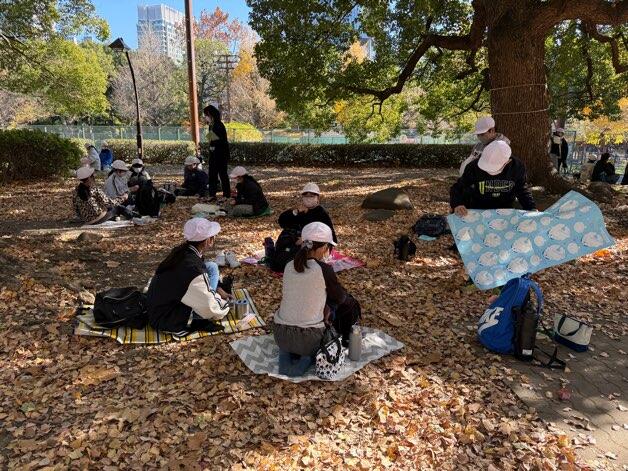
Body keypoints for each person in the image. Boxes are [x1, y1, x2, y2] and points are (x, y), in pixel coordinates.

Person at [273, 222, 360, 377]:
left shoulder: (288, 266)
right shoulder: (324, 269)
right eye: (328, 247)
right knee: (349, 304)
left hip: (280, 335)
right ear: (322, 247)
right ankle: (311, 355)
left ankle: (288, 354)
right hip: (309, 339)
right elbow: (340, 297)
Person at [146, 218, 231, 334]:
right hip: (167, 318)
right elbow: (209, 306)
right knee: (210, 304)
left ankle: (211, 295)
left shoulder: (183, 251)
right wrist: (226, 304)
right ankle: (200, 319)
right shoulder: (193, 268)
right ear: (207, 241)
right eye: (213, 236)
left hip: (158, 307)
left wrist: (218, 289)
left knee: (211, 266)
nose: (214, 238)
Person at [450, 140, 536, 217]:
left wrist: (531, 208)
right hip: (478, 208)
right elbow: (459, 187)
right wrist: (457, 204)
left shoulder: (517, 167)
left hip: (505, 209)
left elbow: (521, 189)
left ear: (507, 161)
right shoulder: (473, 166)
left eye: (494, 168)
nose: (489, 171)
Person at [271, 182, 337, 272]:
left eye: (311, 196)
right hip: (296, 242)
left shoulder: (321, 213)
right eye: (306, 196)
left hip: (314, 245)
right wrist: (295, 212)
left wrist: (306, 238)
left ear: (318, 198)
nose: (308, 199)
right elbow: (282, 222)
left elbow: (331, 237)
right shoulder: (300, 211)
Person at [203, 104, 231, 200]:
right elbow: (212, 141)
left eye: (206, 115)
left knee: (223, 174)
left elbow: (220, 141)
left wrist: (212, 140)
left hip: (221, 154)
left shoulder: (219, 125)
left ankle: (226, 194)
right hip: (213, 154)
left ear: (210, 114)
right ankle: (212, 194)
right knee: (212, 174)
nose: (205, 117)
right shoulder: (211, 126)